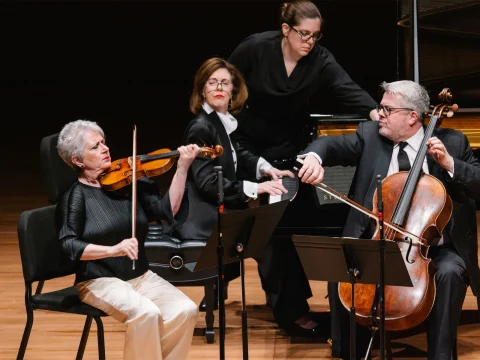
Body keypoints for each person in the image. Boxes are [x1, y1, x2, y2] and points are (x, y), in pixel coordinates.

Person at [227, 0, 379, 336]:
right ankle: (290, 309)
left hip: (290, 147)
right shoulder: (256, 48)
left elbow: (347, 88)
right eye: (303, 34)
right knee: (266, 227)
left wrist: (376, 114)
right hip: (247, 145)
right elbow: (225, 82)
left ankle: (314, 302)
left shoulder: (320, 59)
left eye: (315, 36)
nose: (309, 42)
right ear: (285, 29)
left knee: (297, 222)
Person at [298, 80, 480, 360]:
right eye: (380, 106)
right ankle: (348, 350)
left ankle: (441, 354)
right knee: (342, 268)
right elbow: (329, 145)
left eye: (386, 109)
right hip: (379, 243)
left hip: (436, 250)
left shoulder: (453, 142)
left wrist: (450, 165)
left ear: (411, 117)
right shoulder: (369, 135)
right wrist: (314, 158)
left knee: (450, 273)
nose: (378, 113)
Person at [176, 57, 317, 336]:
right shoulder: (201, 127)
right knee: (272, 242)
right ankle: (292, 315)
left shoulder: (221, 122)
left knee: (276, 234)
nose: (219, 87)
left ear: (233, 90)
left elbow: (238, 155)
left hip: (225, 211)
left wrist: (267, 169)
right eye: (212, 82)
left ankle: (294, 306)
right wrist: (257, 188)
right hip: (207, 218)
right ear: (202, 90)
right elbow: (208, 183)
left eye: (225, 83)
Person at [56, 119, 201, 360]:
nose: (105, 148)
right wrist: (114, 249)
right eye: (95, 146)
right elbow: (69, 244)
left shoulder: (130, 182)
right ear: (77, 160)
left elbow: (168, 209)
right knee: (146, 314)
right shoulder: (75, 197)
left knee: (185, 310)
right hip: (98, 280)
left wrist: (183, 168)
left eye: (104, 142)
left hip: (140, 276)